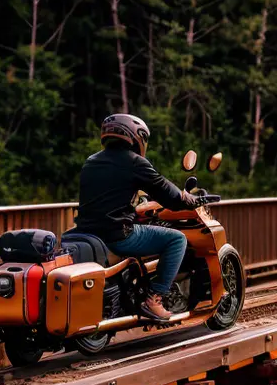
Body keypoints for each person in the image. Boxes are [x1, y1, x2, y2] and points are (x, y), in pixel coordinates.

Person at [74, 114, 201, 321]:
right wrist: (187, 198)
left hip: (86, 233)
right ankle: (154, 298)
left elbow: (111, 193)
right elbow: (167, 193)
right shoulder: (134, 162)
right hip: (118, 235)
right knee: (176, 239)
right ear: (136, 136)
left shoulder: (91, 161)